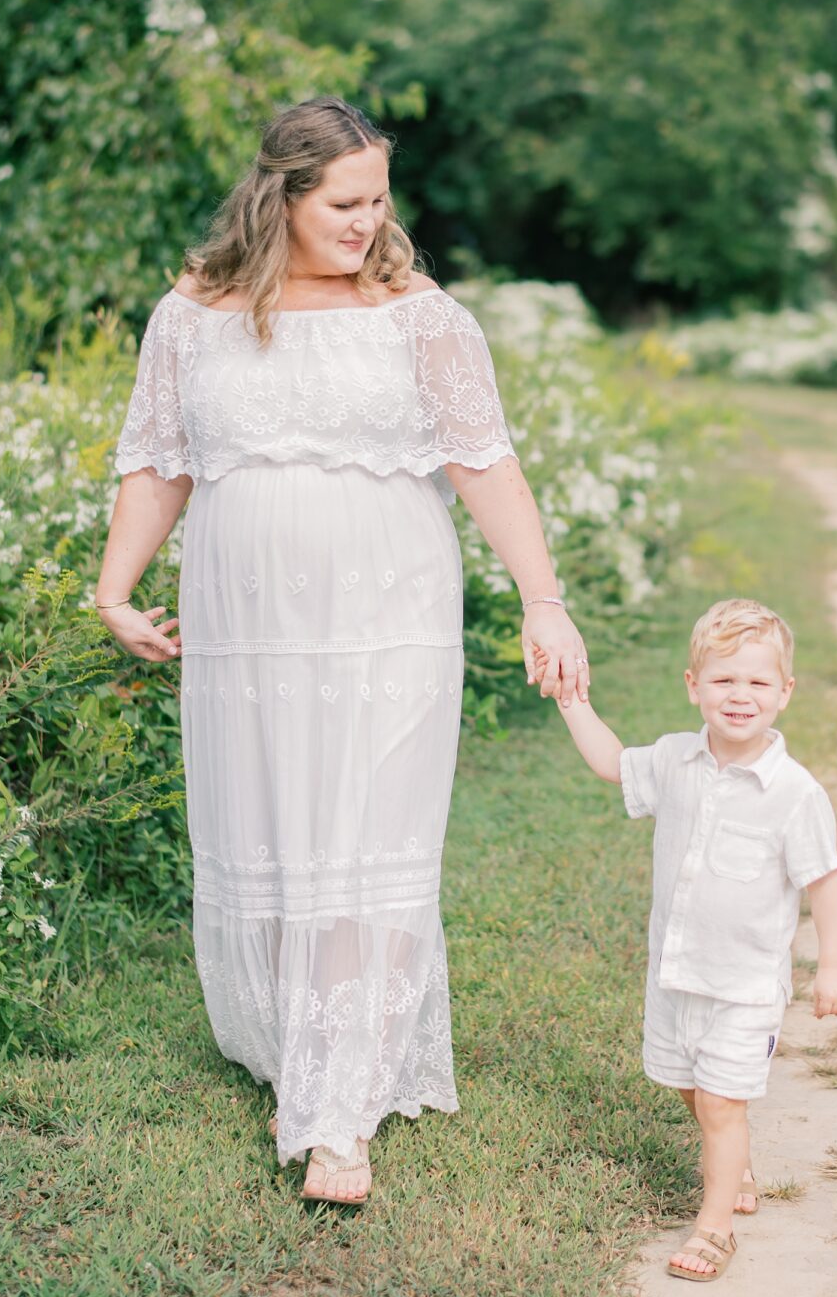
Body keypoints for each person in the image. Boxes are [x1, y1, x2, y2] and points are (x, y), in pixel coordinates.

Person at [98, 95, 590, 1204]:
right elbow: (159, 459)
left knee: (366, 827)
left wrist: (543, 599)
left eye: (380, 198)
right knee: (275, 824)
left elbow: (484, 463)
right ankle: (298, 1055)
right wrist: (114, 587)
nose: (370, 221)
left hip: (389, 612)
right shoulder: (191, 313)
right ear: (281, 196)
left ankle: (337, 1114)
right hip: (249, 624)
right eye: (346, 202)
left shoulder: (420, 316)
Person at [534, 597, 837, 1280]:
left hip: (743, 984)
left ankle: (714, 1228)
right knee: (688, 1085)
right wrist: (570, 700)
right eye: (724, 680)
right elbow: (614, 764)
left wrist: (833, 966)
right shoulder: (676, 759)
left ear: (785, 693)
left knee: (719, 1099)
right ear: (693, 686)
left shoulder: (793, 793)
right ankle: (730, 1157)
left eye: (758, 682)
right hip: (677, 973)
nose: (741, 696)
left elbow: (823, 881)